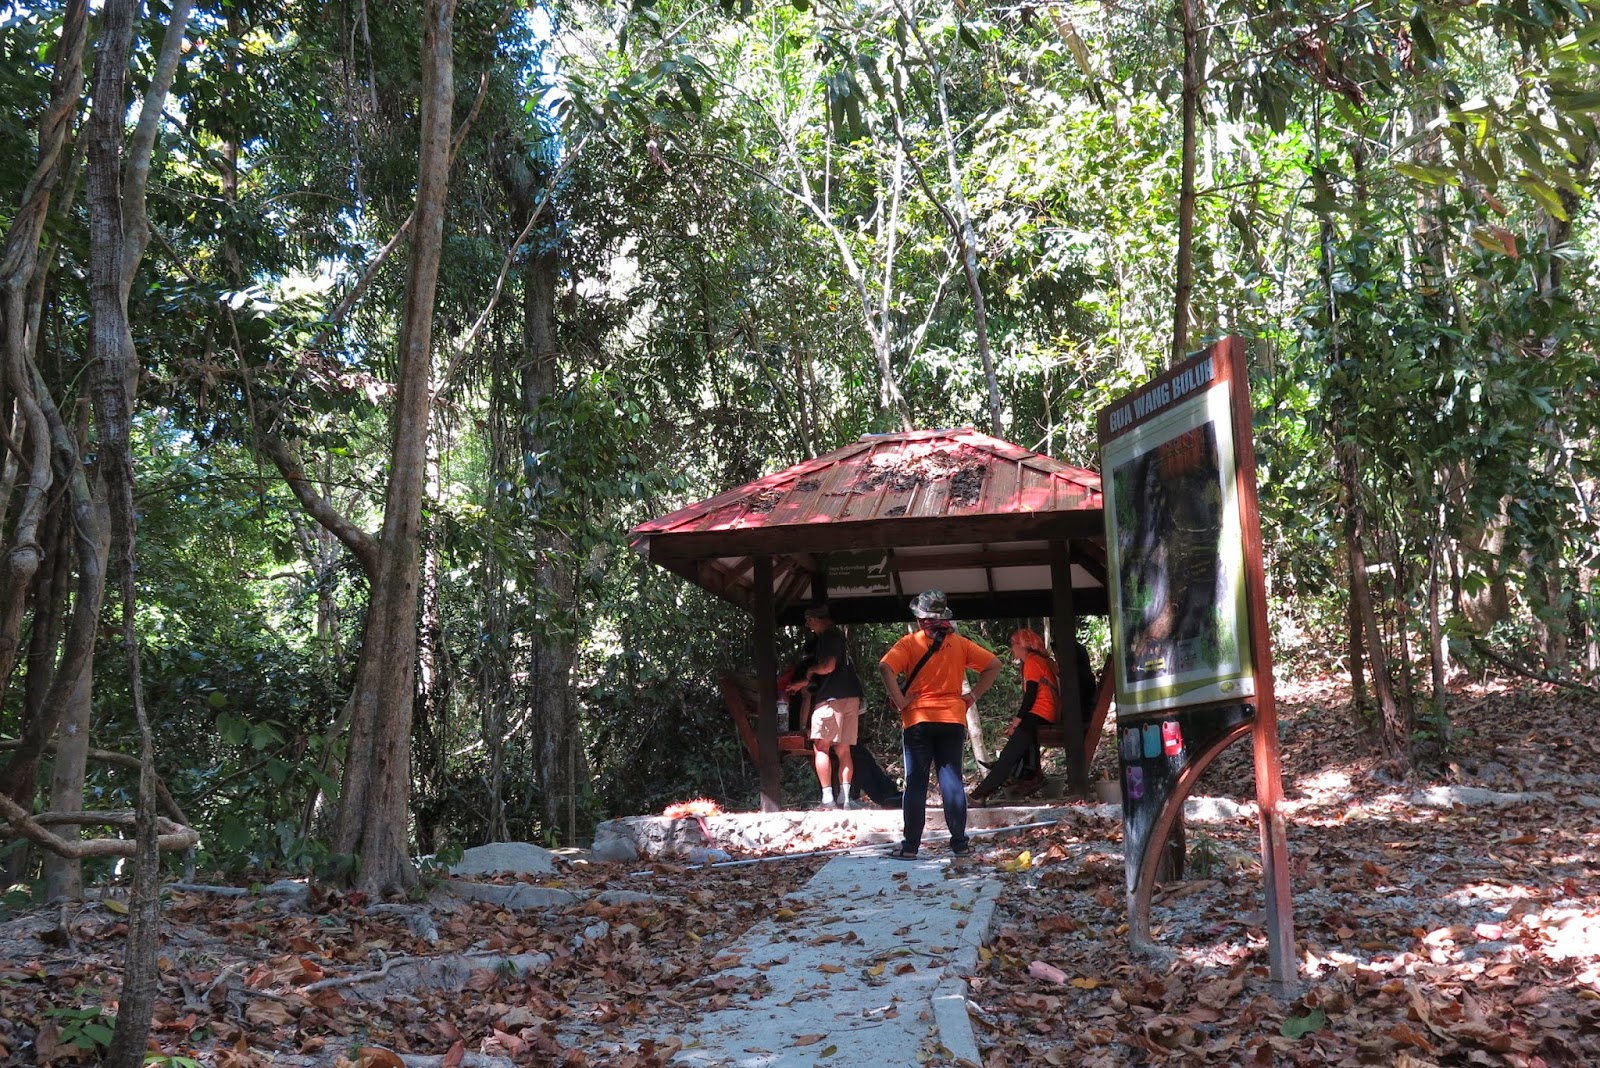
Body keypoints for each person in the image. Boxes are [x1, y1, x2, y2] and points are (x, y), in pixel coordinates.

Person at [878, 589, 1001, 858]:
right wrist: (971, 697)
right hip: (952, 719)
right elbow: (994, 665)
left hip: (918, 719)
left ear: (920, 618)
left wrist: (900, 700)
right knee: (952, 781)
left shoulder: (909, 643)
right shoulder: (960, 644)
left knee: (916, 782)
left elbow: (886, 667)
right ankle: (960, 844)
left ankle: (910, 847)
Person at [787, 602, 865, 809]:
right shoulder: (838, 636)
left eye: (808, 622)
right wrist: (803, 682)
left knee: (821, 746)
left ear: (813, 620)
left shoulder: (829, 636)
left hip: (831, 700)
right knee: (843, 749)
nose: (808, 626)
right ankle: (845, 799)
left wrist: (811, 670)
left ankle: (827, 799)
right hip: (850, 698)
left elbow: (828, 667)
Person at [970, 628, 1060, 805]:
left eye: (1013, 644)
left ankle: (979, 795)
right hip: (1046, 714)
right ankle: (1030, 775)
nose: (1012, 648)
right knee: (1015, 750)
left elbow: (1030, 696)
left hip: (1039, 714)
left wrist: (1016, 723)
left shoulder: (1032, 662)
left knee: (1009, 756)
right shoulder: (1040, 661)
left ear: (1022, 646)